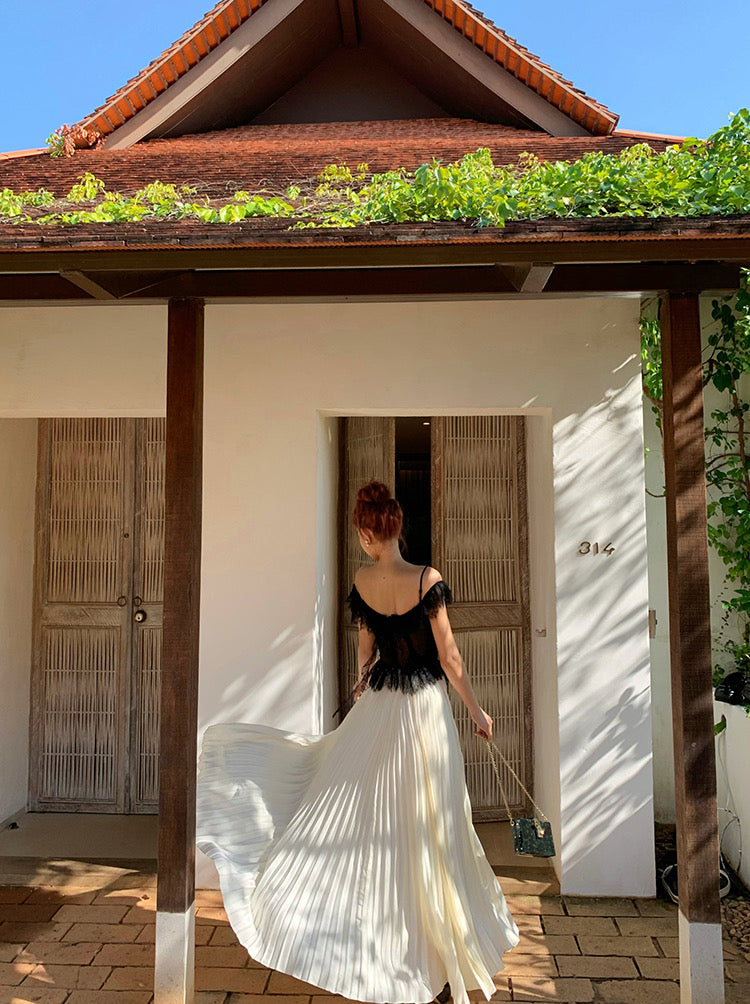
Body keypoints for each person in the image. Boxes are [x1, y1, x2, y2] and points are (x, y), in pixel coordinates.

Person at [196, 480, 519, 1004]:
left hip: (382, 707)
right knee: (433, 822)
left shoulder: (363, 580)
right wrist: (476, 711)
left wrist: (358, 690)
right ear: (396, 528)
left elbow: (366, 650)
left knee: (374, 817)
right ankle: (438, 954)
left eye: (360, 534)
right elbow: (449, 657)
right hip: (425, 712)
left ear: (368, 533)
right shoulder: (428, 580)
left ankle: (384, 945)